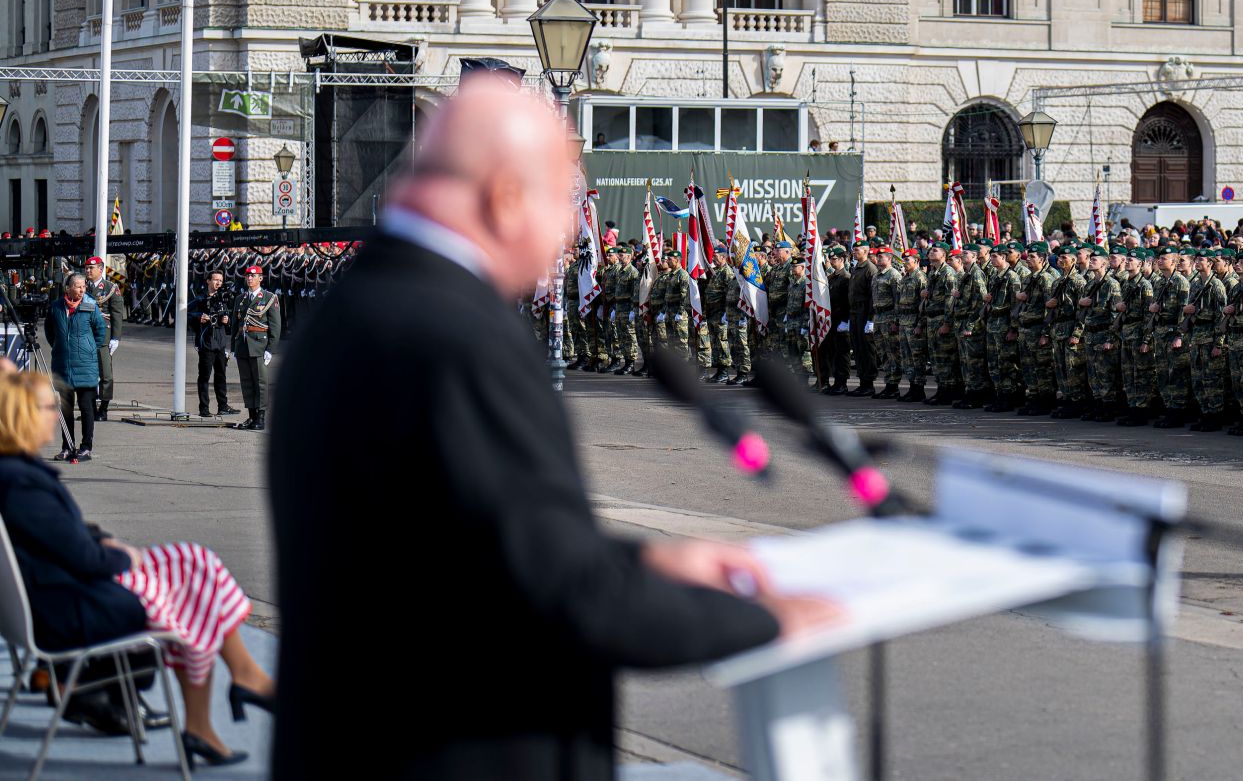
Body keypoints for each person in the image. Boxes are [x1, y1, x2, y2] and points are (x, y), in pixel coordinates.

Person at [271, 76, 837, 779]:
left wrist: (647, 561)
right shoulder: (459, 336)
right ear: (506, 197)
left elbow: (471, 545)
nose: (573, 232)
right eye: (565, 203)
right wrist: (768, 620)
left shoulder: (355, 308)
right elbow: (567, 594)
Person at [0, 370, 275, 766]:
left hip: (64, 594)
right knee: (191, 598)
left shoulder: (16, 473)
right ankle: (216, 711)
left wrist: (104, 547)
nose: (57, 413)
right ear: (23, 415)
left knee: (197, 562)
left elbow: (65, 543)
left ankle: (240, 684)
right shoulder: (20, 482)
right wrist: (124, 556)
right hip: (71, 608)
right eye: (47, 407)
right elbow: (82, 558)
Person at [42, 273, 106, 460]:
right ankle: (67, 446)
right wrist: (61, 347)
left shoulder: (90, 306)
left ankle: (86, 447)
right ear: (68, 288)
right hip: (63, 365)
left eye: (84, 287)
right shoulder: (56, 307)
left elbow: (100, 331)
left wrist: (88, 348)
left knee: (86, 407)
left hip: (85, 364)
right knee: (66, 409)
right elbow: (49, 332)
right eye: (78, 286)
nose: (82, 290)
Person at [230, 264, 282, 431]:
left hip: (259, 345)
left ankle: (261, 417)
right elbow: (235, 324)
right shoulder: (241, 298)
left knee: (260, 383)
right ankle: (252, 415)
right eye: (247, 276)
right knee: (246, 382)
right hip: (243, 345)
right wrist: (232, 346)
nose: (249, 278)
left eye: (253, 276)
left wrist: (270, 349)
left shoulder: (269, 298)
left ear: (261, 278)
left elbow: (275, 326)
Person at [191, 269, 238, 418]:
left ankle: (223, 406)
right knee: (204, 376)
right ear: (208, 281)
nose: (218, 283)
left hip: (220, 342)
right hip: (206, 342)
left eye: (220, 280)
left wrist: (227, 320)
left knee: (221, 375)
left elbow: (230, 320)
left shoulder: (223, 298)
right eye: (215, 280)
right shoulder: (200, 298)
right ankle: (204, 408)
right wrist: (199, 316)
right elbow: (183, 310)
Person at [83, 257, 124, 421]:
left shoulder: (110, 288)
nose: (88, 271)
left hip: (103, 336)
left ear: (100, 269)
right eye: (86, 268)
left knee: (105, 373)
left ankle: (104, 408)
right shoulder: (81, 286)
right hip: (85, 335)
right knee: (87, 373)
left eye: (91, 268)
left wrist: (116, 337)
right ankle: (91, 408)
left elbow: (117, 314)